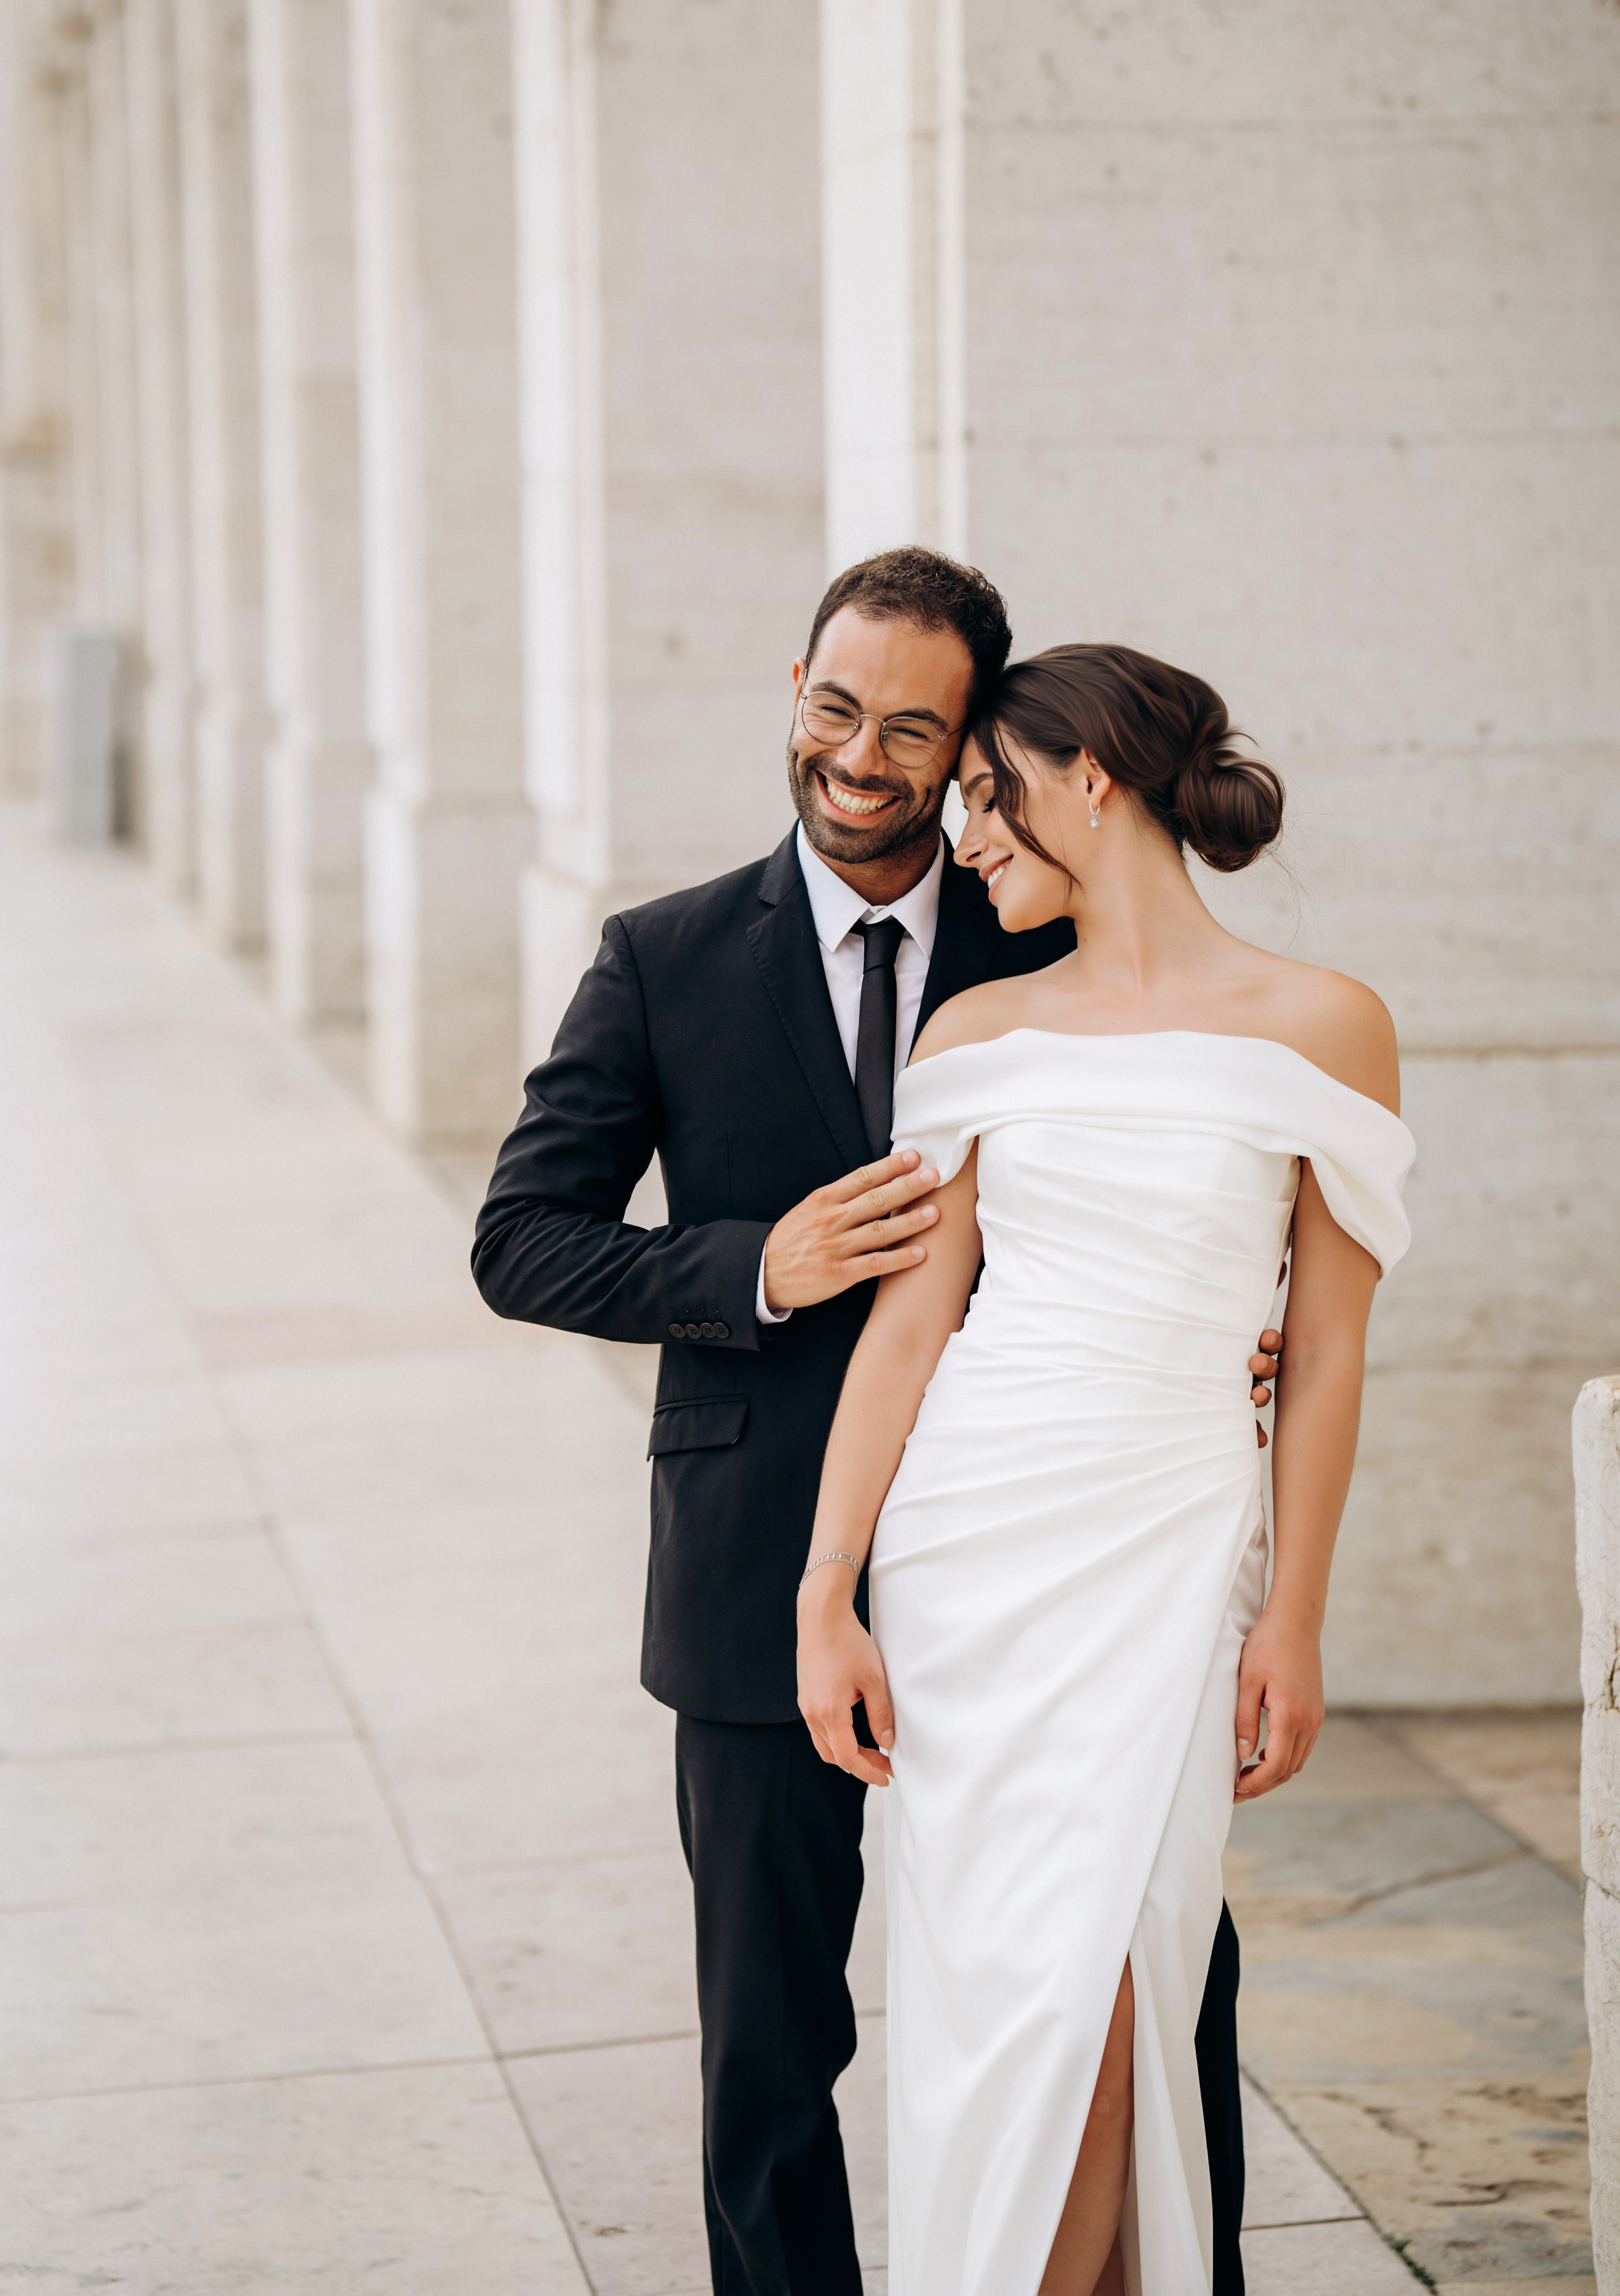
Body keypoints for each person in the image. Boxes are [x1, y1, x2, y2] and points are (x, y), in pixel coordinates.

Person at [471, 558, 1287, 2295]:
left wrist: (1237, 1327)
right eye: (833, 709)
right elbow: (516, 1240)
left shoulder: (1045, 923)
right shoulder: (666, 955)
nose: (859, 754)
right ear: (791, 686)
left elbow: (1201, 1142)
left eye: (912, 730)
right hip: (771, 1548)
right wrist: (748, 1264)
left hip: (1060, 1568)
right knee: (768, 2049)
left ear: (971, 753)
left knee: (1137, 1977)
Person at [796, 643, 1414, 2296]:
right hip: (968, 1557)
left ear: (1092, 780)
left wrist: (1293, 1618)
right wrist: (825, 1591)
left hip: (1169, 1549)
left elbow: (1332, 1350)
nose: (963, 839)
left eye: (986, 800)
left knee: (1113, 1979)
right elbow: (909, 1337)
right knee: (999, 2001)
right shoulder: (979, 1033)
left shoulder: (1327, 1025)